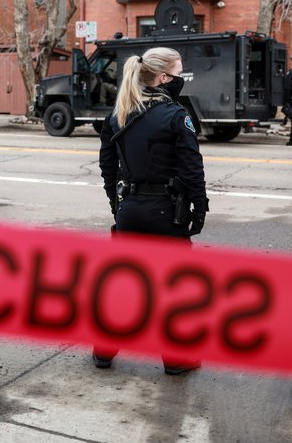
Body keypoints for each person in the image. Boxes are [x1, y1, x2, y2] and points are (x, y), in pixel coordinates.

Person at [97, 47, 209, 375]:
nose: (182, 79)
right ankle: (175, 359)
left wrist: (116, 203)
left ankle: (104, 349)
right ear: (163, 78)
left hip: (130, 210)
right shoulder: (176, 115)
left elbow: (107, 164)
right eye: (179, 73)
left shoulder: (120, 112)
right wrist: (199, 209)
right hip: (165, 213)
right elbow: (192, 169)